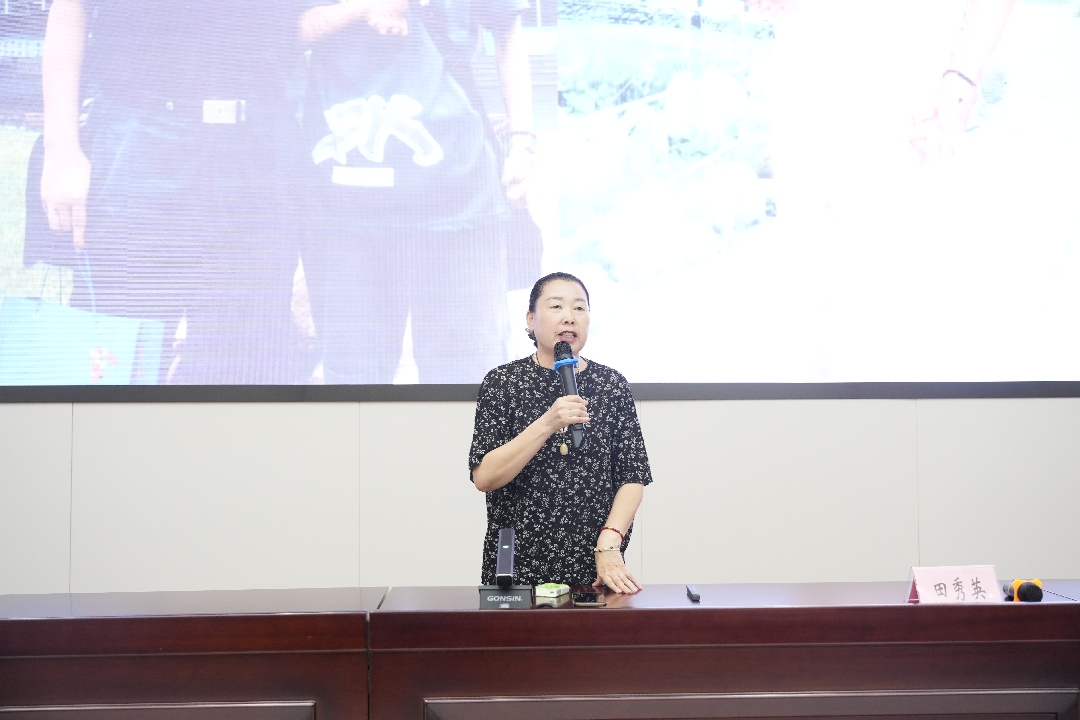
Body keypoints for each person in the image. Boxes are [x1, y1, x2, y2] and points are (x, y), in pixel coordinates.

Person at [40, 0, 304, 384]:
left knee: (240, 366)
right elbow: (70, 8)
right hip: (139, 142)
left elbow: (299, 21)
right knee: (115, 359)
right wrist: (61, 149)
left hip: (255, 147)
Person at [297, 0, 535, 384]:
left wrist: (522, 142)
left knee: (466, 376)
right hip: (346, 209)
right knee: (354, 382)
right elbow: (284, 32)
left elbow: (507, 29)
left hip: (458, 199)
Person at [469, 272, 652, 592]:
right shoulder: (503, 382)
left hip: (596, 566)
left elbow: (632, 475)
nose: (570, 316)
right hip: (519, 567)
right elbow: (485, 477)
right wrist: (548, 423)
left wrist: (609, 544)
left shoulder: (611, 384)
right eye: (556, 306)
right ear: (531, 319)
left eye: (580, 308)